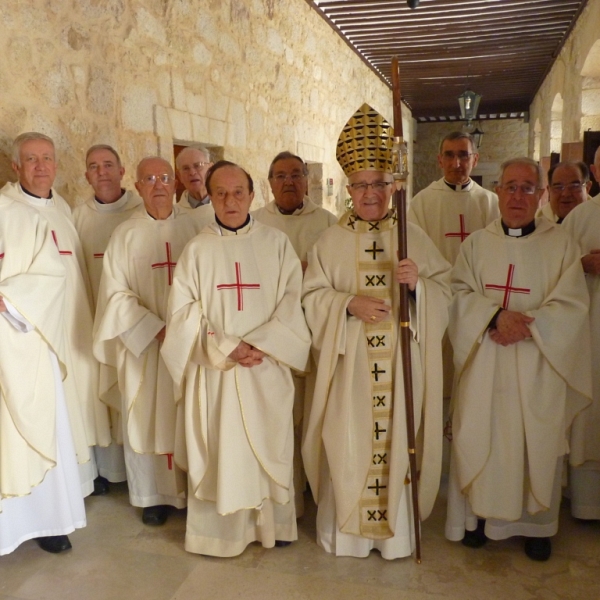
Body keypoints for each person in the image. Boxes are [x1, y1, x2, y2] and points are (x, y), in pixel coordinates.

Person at [302, 104, 451, 560]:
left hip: (398, 368)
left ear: (394, 186)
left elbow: (446, 294)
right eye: (363, 185)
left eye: (381, 184)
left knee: (394, 446)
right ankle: (346, 534)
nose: (372, 193)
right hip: (349, 370)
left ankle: (394, 539)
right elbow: (309, 299)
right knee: (347, 445)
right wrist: (346, 303)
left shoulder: (414, 235)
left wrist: (418, 287)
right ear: (348, 188)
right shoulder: (328, 241)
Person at [161, 160, 311, 557]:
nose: (231, 201)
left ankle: (272, 528)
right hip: (219, 371)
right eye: (221, 193)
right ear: (210, 197)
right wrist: (226, 345)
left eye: (238, 192)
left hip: (265, 367)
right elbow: (182, 313)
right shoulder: (198, 249)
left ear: (252, 195)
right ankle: (221, 536)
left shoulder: (277, 244)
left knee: (268, 444)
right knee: (223, 449)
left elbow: (293, 300)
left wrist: (264, 342)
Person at [446, 157, 592, 561]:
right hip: (485, 365)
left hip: (538, 367)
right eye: (511, 186)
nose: (518, 195)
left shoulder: (562, 245)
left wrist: (527, 326)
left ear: (541, 195)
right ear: (497, 191)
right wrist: (495, 316)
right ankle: (476, 519)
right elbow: (457, 295)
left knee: (536, 441)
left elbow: (572, 304)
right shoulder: (475, 244)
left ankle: (535, 526)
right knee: (481, 434)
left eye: (528, 188)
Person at [1, 132, 110, 497]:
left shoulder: (63, 208)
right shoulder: (8, 209)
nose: (41, 166)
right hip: (33, 329)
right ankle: (56, 492)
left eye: (47, 158)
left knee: (79, 398)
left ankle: (84, 475)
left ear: (57, 165)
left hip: (74, 317)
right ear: (16, 167)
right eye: (31, 159)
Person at [93, 156, 199, 525]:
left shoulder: (196, 227)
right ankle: (152, 495)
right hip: (145, 346)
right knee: (147, 413)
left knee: (189, 411)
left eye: (165, 177)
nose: (158, 185)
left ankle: (194, 490)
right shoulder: (125, 234)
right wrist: (154, 327)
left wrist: (184, 330)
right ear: (136, 186)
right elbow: (114, 295)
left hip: (189, 346)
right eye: (149, 178)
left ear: (176, 185)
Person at [253, 151, 337, 517]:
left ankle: (311, 487)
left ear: (308, 180)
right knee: (278, 415)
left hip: (315, 334)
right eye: (280, 175)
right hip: (270, 337)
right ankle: (281, 492)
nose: (289, 182)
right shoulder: (255, 223)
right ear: (269, 183)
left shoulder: (331, 224)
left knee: (312, 413)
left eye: (296, 174)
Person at [0, 197, 86, 555]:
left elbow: (52, 275)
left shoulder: (23, 217)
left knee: (36, 431)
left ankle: (43, 521)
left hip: (21, 340)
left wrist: (8, 299)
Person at [408, 131, 499, 404]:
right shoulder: (421, 203)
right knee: (439, 376)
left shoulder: (491, 203)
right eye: (450, 155)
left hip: (478, 304)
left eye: (463, 155)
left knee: (474, 383)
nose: (457, 162)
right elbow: (412, 253)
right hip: (435, 302)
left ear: (475, 159)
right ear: (439, 160)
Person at [73, 144, 143, 491]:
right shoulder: (78, 216)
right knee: (99, 391)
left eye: (108, 165)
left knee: (134, 393)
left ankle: (140, 475)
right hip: (96, 319)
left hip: (133, 320)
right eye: (93, 166)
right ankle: (108, 471)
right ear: (86, 175)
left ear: (122, 171)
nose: (101, 172)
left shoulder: (141, 212)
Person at [561, 153, 600, 520]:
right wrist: (582, 266)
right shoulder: (579, 218)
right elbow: (555, 267)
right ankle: (587, 503)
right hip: (590, 333)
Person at [175, 144, 215, 228]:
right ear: (179, 176)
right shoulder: (173, 217)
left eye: (198, 166)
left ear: (210, 169)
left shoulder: (226, 208)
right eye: (186, 168)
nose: (192, 173)